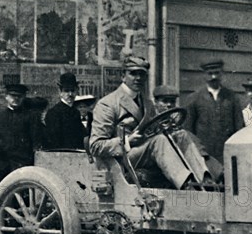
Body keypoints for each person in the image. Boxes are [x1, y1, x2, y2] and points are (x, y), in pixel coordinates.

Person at [89, 57, 214, 190]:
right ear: (123, 76)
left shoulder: (147, 103)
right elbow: (96, 146)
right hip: (122, 159)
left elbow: (153, 129)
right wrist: (127, 141)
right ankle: (186, 185)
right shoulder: (108, 103)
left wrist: (168, 129)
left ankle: (205, 180)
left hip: (144, 152)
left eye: (142, 74)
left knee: (181, 135)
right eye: (133, 73)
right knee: (158, 141)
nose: (138, 78)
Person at [183, 59, 244, 162]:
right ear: (204, 75)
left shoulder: (232, 97)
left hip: (228, 154)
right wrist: (200, 152)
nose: (213, 77)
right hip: (204, 156)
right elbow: (188, 131)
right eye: (210, 73)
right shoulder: (194, 98)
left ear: (222, 73)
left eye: (217, 73)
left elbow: (239, 127)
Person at [0, 84, 44, 189]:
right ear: (6, 96)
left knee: (23, 195)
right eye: (13, 96)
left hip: (23, 163)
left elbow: (36, 142)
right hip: (2, 164)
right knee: (2, 194)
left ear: (24, 97)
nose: (16, 99)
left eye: (19, 96)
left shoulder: (31, 117)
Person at [44, 72, 87, 150]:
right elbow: (53, 141)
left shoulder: (76, 112)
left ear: (77, 91)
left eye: (72, 90)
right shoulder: (54, 112)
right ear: (60, 92)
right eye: (66, 91)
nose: (70, 94)